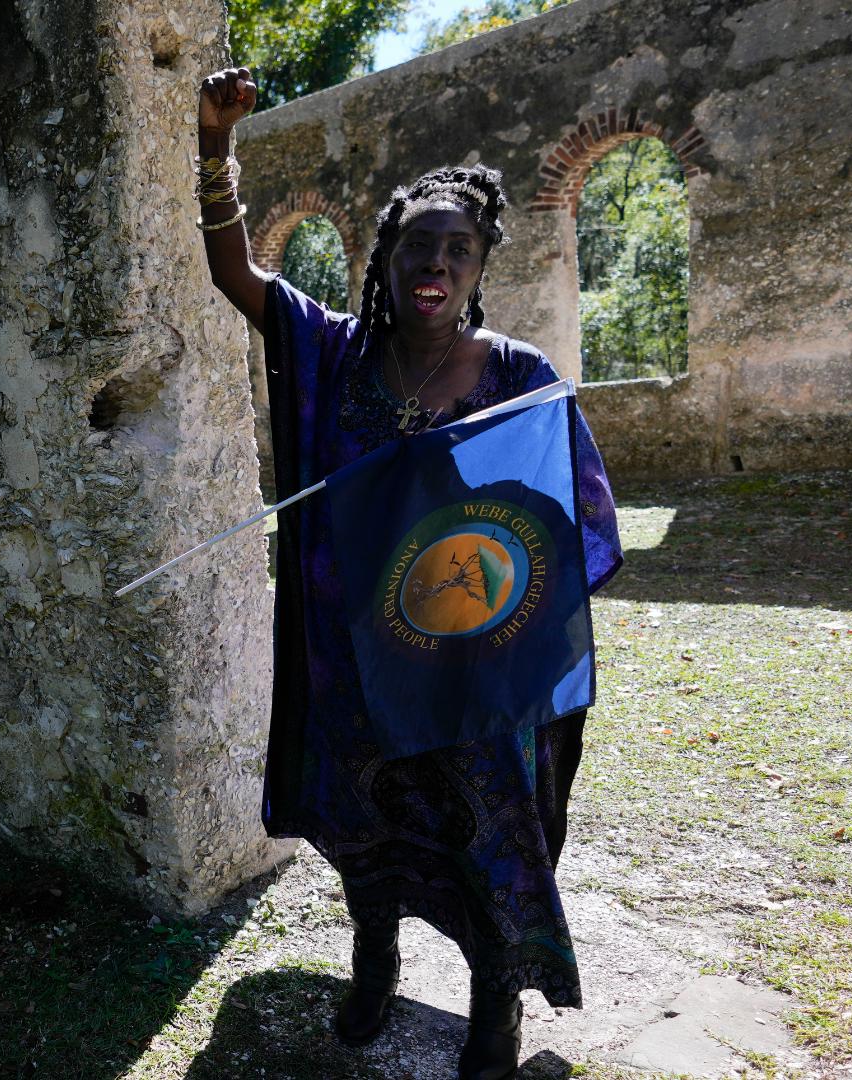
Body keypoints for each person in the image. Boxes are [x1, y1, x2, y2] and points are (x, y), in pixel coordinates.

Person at [193, 67, 623, 1080]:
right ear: (383, 258)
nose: (435, 261)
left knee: (482, 838)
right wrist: (214, 148)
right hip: (353, 657)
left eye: (457, 249)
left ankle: (493, 1010)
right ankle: (374, 964)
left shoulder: (515, 376)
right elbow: (234, 277)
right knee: (367, 828)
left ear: (479, 267)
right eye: (416, 244)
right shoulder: (333, 353)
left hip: (471, 663)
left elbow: (568, 507)